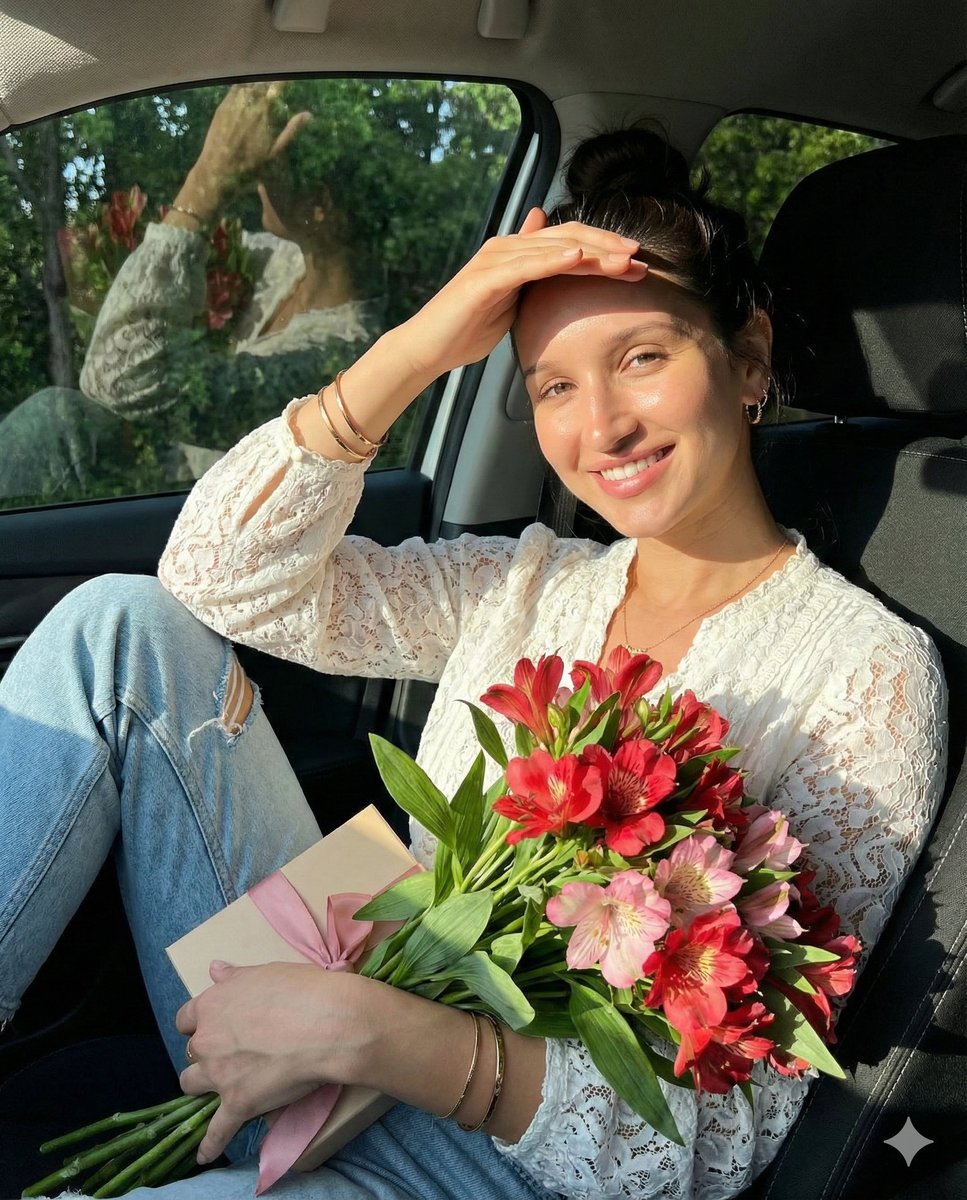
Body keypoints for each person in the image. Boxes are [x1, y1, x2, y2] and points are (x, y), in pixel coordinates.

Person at [0, 128, 947, 1199]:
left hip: (512, 1160)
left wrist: (374, 1035)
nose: (602, 426)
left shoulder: (867, 674)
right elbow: (217, 576)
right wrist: (413, 349)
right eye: (550, 387)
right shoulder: (526, 582)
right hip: (348, 990)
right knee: (116, 628)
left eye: (642, 357)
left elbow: (728, 1138)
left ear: (749, 356)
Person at [0, 82, 378, 503]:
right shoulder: (281, 261)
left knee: (51, 420)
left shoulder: (339, 357)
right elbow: (164, 287)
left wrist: (208, 180)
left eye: (271, 165)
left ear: (318, 205)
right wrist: (96, 279)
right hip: (150, 481)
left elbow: (119, 379)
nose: (256, 180)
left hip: (190, 516)